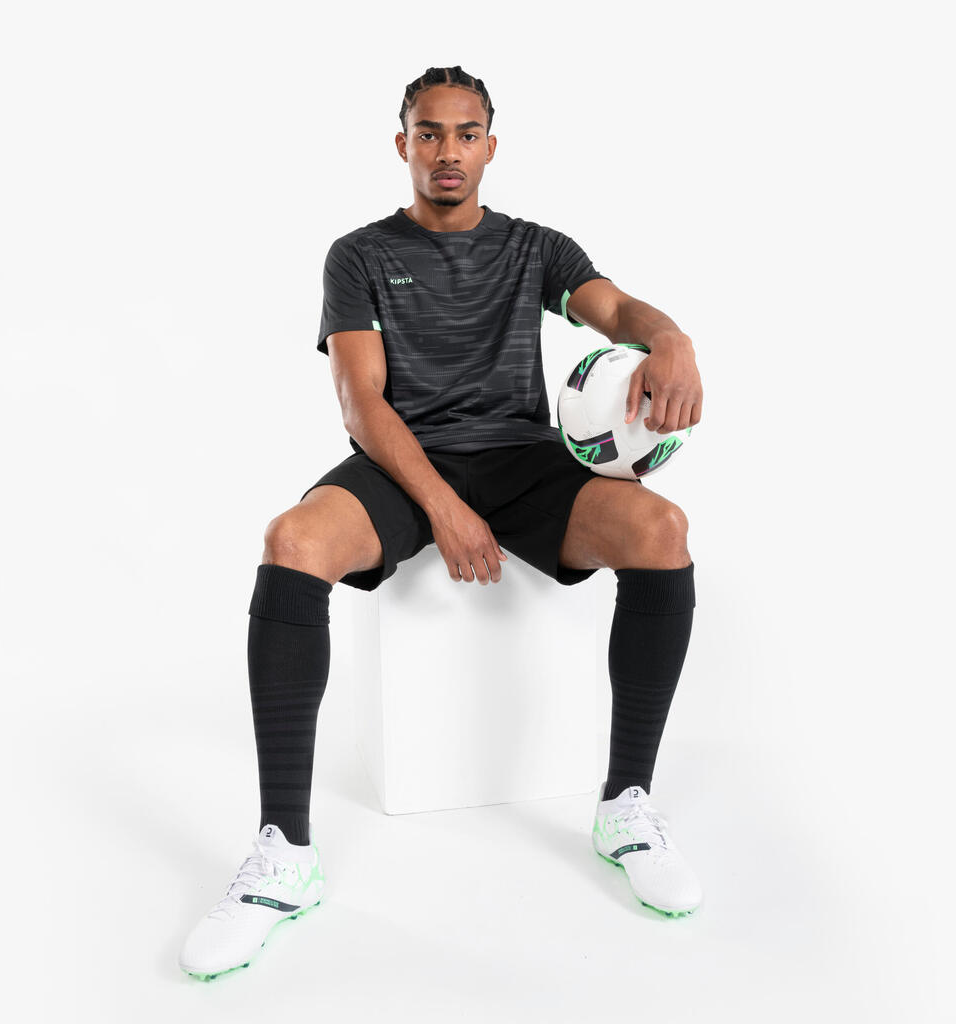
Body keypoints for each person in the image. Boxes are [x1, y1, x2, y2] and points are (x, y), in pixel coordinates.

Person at [179, 65, 705, 981]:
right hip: (403, 459)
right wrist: (445, 506)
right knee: (291, 542)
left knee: (661, 530)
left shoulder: (536, 247)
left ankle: (625, 804)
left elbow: (618, 311)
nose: (447, 150)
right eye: (429, 133)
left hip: (524, 459)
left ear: (490, 147)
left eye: (465, 134)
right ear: (404, 144)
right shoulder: (359, 254)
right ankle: (283, 856)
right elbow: (362, 403)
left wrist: (673, 340)